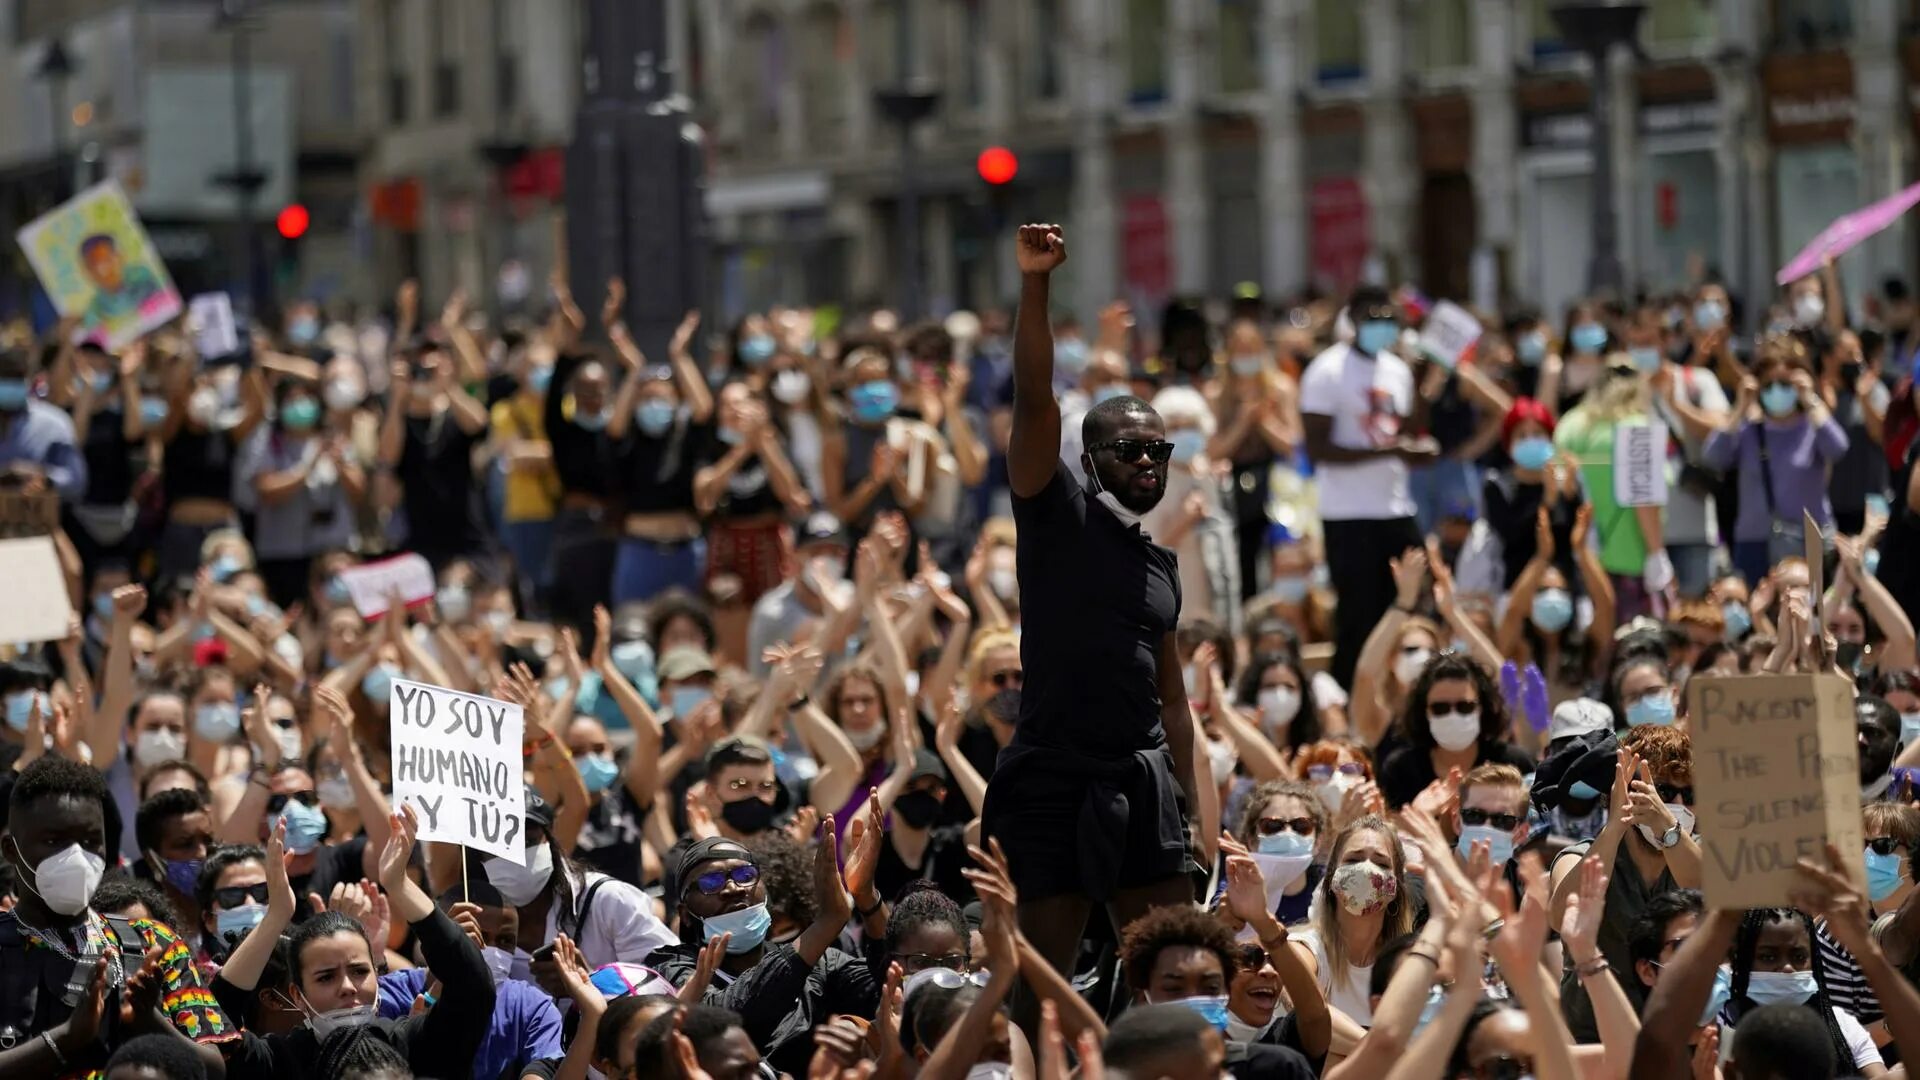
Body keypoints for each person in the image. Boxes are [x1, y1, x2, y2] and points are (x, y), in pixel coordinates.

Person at [982, 224, 1201, 1031]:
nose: (1148, 461)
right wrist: (1036, 286)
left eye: (1159, 449)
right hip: (1051, 780)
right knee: (1032, 994)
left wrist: (1193, 809)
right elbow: (1036, 396)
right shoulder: (1054, 515)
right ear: (1090, 459)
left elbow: (1174, 704)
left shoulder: (1162, 568)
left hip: (1142, 785)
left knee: (1179, 979)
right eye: (1129, 449)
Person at [212, 807, 495, 1080]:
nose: (348, 988)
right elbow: (213, 1018)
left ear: (377, 973)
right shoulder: (278, 1062)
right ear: (297, 995)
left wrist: (399, 885)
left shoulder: (413, 1044)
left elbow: (472, 985)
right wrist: (275, 918)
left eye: (359, 971)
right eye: (326, 977)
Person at [0, 757, 235, 1078]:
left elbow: (213, 1069)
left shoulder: (153, 942)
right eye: (54, 841)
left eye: (90, 841)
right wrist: (66, 1039)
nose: (76, 857)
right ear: (12, 850)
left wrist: (148, 1020)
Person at [646, 835, 875, 1075]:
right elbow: (721, 1016)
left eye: (745, 876)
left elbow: (887, 988)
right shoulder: (670, 964)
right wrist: (826, 923)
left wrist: (868, 898)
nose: (733, 889)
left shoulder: (820, 961)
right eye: (710, 882)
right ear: (684, 914)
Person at [1299, 285, 1432, 689]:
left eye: (1388, 318)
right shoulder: (1326, 370)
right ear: (1353, 320)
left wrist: (1417, 448)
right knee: (1358, 617)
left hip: (1396, 507)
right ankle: (1350, 700)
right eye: (1372, 318)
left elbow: (1407, 430)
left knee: (1412, 608)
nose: (1381, 326)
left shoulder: (1396, 369)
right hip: (1348, 513)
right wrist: (1389, 451)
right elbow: (1318, 448)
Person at [1702, 334, 1849, 584]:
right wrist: (1739, 409)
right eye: (1768, 384)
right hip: (1755, 544)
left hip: (1808, 543)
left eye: (1784, 383)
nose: (1776, 391)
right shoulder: (1750, 430)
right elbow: (1713, 457)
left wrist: (1810, 398)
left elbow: (1838, 448)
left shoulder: (1813, 426)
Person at [1376, 652, 1536, 810]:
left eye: (1464, 707)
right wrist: (1420, 814)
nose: (1453, 716)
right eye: (1440, 708)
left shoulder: (1515, 763)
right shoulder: (1401, 769)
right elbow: (1391, 831)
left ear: (1482, 708)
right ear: (1424, 712)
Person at [0, 345, 88, 503]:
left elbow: (76, 480)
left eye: (17, 378)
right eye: (4, 378)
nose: (10, 384)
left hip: (33, 521)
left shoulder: (54, 423)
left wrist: (43, 477)